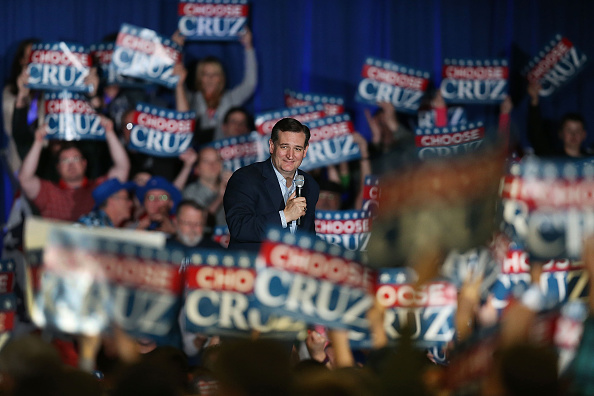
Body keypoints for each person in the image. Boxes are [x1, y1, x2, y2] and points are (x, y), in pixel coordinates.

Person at [224, 118, 319, 252]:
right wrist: (285, 216)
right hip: (253, 269)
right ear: (272, 146)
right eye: (284, 147)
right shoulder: (245, 178)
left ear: (305, 151)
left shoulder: (310, 184)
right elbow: (239, 227)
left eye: (297, 149)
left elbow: (308, 235)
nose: (290, 155)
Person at [18, 117, 129, 222]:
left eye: (75, 159)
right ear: (58, 168)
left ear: (84, 163)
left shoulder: (98, 188)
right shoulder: (48, 192)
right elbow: (25, 179)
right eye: (65, 161)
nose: (71, 165)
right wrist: (38, 141)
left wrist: (109, 132)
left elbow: (122, 168)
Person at [175, 28, 257, 143]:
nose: (210, 78)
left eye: (215, 74)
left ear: (221, 78)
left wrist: (248, 47)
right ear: (199, 77)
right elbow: (178, 80)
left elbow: (250, 84)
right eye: (205, 74)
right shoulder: (190, 99)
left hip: (227, 157)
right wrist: (177, 49)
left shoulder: (230, 99)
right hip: (199, 158)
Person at [527, 81, 589, 157]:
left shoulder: (591, 161)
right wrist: (534, 99)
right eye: (569, 130)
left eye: (578, 130)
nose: (573, 135)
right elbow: (536, 134)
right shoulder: (553, 158)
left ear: (584, 134)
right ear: (561, 134)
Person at [182, 146, 231, 229]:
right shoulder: (190, 192)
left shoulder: (230, 186)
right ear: (197, 169)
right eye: (206, 161)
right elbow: (198, 222)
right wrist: (220, 198)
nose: (213, 165)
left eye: (216, 160)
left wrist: (238, 186)